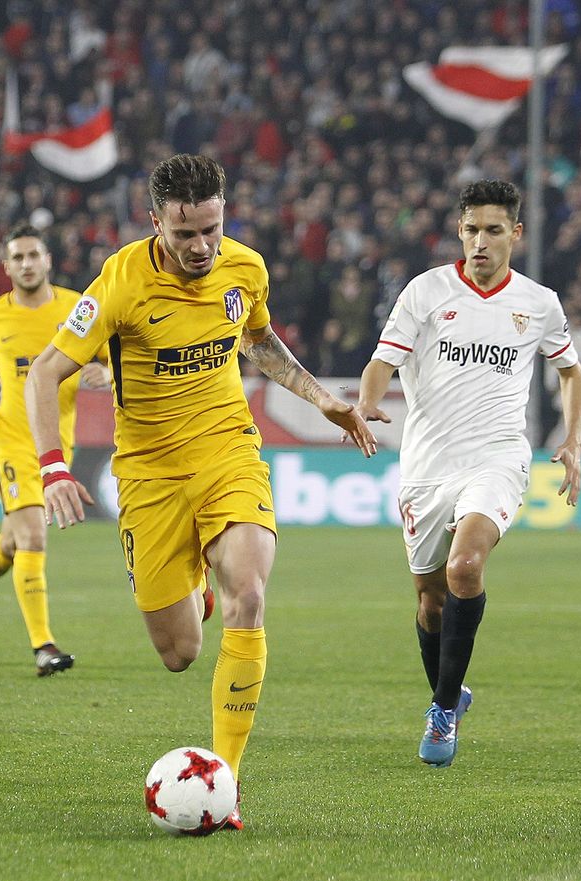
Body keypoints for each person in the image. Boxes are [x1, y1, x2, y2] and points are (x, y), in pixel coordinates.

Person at [26, 154, 375, 828]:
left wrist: (321, 399)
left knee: (250, 593)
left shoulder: (245, 267)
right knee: (179, 652)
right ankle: (196, 582)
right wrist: (52, 467)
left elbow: (260, 340)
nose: (201, 246)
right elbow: (45, 373)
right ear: (155, 220)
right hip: (150, 472)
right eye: (185, 233)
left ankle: (226, 779)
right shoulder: (121, 283)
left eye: (211, 229)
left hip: (227, 450)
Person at [356, 179, 581, 768]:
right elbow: (384, 359)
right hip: (428, 465)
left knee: (465, 565)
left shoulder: (538, 304)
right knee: (430, 601)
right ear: (459, 231)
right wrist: (366, 403)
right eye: (469, 230)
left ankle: (439, 713)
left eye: (491, 230)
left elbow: (571, 374)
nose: (479, 242)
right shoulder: (426, 291)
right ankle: (450, 692)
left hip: (500, 457)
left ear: (516, 233)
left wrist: (573, 441)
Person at [0, 223, 111, 676]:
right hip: (10, 441)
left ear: (48, 260)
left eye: (34, 255)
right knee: (34, 535)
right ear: (7, 265)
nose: (27, 264)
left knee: (14, 545)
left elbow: (115, 359)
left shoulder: (78, 309)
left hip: (56, 443)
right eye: (18, 257)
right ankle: (43, 646)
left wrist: (106, 375)